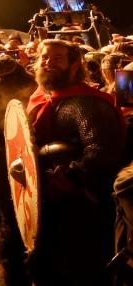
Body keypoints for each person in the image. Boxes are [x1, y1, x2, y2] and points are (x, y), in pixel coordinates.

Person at [26, 39, 125, 285]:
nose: (48, 62)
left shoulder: (85, 103)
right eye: (44, 57)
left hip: (83, 204)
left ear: (74, 66)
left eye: (57, 58)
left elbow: (101, 151)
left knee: (77, 268)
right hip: (54, 202)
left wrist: (68, 177)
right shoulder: (50, 98)